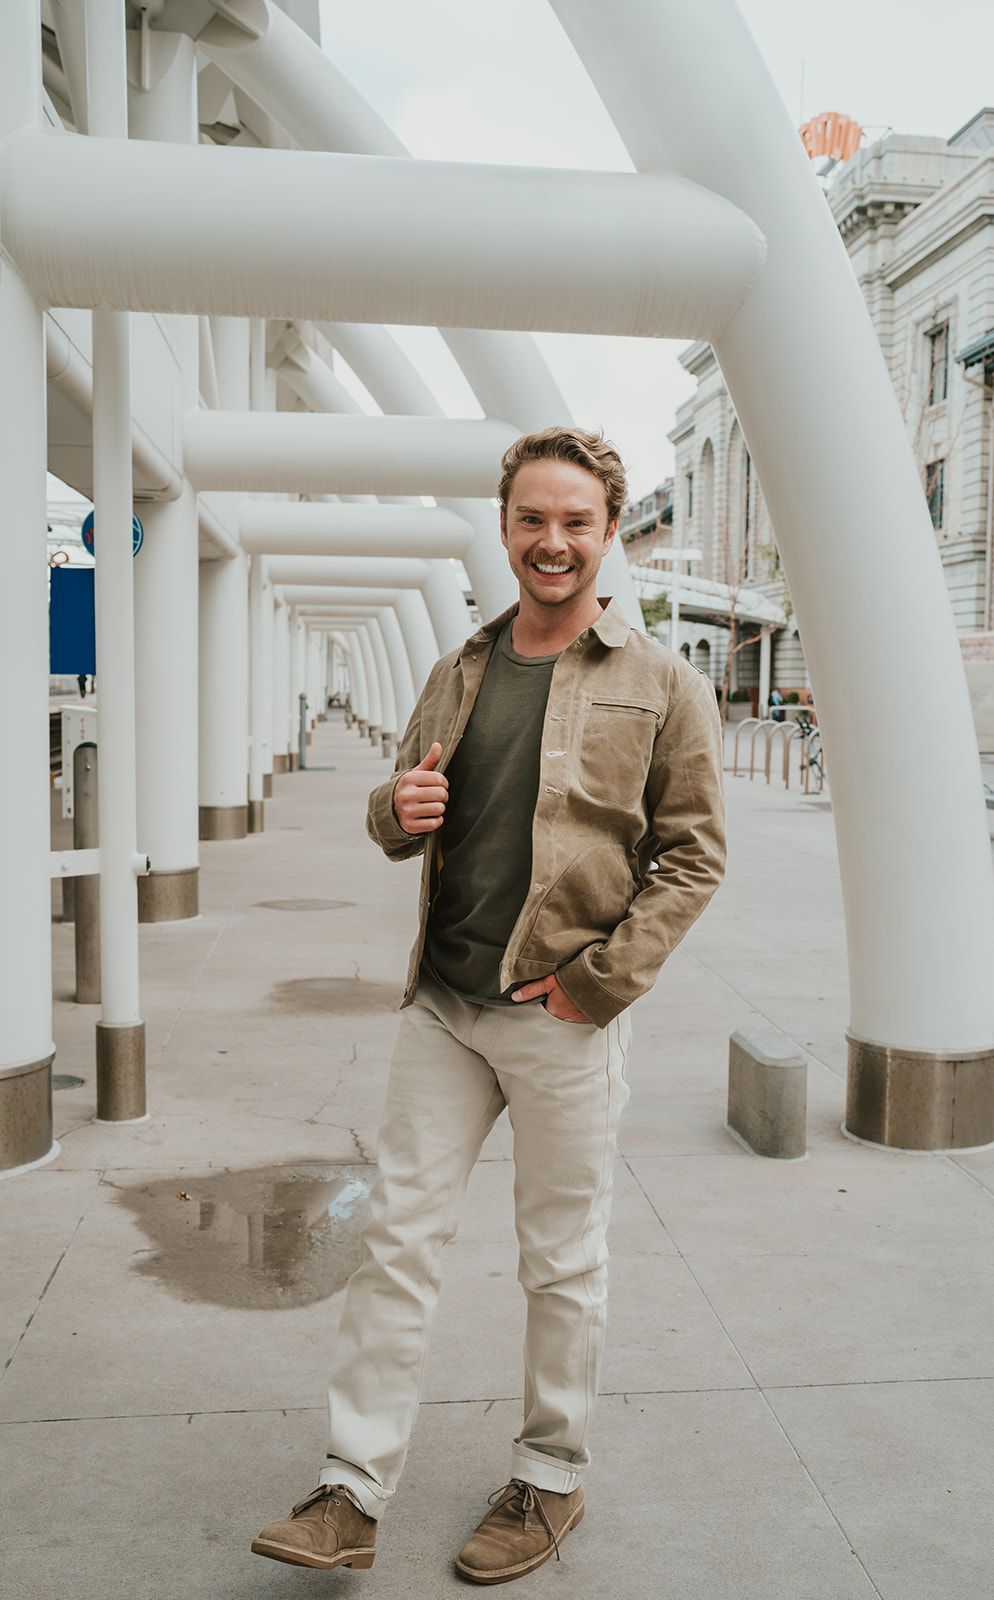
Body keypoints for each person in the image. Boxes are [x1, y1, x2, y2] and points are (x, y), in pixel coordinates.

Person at [252, 427, 727, 1584]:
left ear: (609, 533)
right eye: (531, 519)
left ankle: (549, 1478)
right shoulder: (457, 666)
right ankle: (351, 1490)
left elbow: (692, 856)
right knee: (397, 1244)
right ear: (504, 526)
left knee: (560, 1260)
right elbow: (392, 813)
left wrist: (592, 985)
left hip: (559, 1013)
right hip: (443, 1006)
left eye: (574, 521)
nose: (550, 541)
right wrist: (394, 805)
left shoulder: (660, 682)